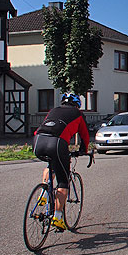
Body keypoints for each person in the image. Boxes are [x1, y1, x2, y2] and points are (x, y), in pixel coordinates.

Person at [33, 92, 89, 231]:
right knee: (63, 181)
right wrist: (83, 150)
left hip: (38, 142)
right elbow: (85, 135)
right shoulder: (78, 114)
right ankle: (57, 217)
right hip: (57, 143)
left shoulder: (53, 110)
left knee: (51, 165)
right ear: (77, 104)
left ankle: (44, 193)